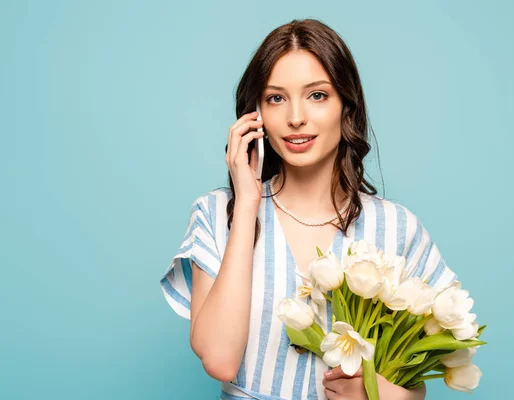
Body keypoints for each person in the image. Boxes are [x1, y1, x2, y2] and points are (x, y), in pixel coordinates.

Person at [159, 18, 457, 400]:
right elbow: (219, 360)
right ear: (255, 116)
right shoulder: (218, 213)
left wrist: (381, 395)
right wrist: (247, 202)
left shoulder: (397, 228)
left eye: (317, 95)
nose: (296, 117)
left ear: (345, 105)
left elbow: (415, 385)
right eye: (275, 98)